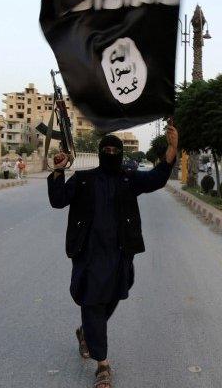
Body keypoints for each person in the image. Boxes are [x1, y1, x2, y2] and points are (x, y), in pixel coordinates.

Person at [48, 125, 178, 388]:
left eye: (114, 150)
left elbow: (157, 178)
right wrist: (59, 170)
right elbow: (58, 200)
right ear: (100, 153)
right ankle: (103, 366)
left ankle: (87, 331)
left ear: (120, 154)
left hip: (120, 255)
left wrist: (172, 148)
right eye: (106, 150)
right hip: (89, 256)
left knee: (114, 295)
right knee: (92, 303)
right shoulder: (84, 179)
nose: (110, 153)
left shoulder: (129, 179)